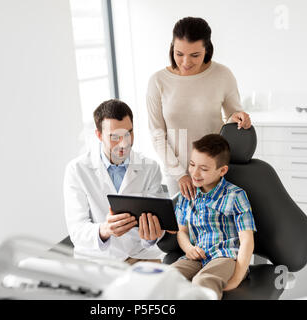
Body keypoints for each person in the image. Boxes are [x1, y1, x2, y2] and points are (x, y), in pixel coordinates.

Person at [146, 16, 252, 200]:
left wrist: (239, 117)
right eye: (179, 54)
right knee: (183, 227)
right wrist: (180, 174)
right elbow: (157, 135)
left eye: (195, 55)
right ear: (172, 48)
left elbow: (232, 117)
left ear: (207, 50)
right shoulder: (158, 81)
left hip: (214, 173)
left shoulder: (222, 75)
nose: (186, 62)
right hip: (177, 175)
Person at [63, 99, 170, 264]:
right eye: (115, 137)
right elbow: (77, 231)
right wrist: (104, 230)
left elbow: (158, 227)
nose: (124, 143)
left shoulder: (150, 168)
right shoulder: (77, 170)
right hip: (98, 260)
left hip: (141, 255)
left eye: (129, 133)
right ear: (99, 135)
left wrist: (151, 236)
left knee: (166, 285)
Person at [171, 134, 256, 300]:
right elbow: (181, 231)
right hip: (197, 257)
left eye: (203, 169)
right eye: (192, 164)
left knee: (202, 282)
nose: (194, 173)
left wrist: (237, 278)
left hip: (225, 257)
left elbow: (247, 240)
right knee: (167, 277)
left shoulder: (235, 195)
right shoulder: (187, 195)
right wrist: (189, 248)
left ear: (222, 170)